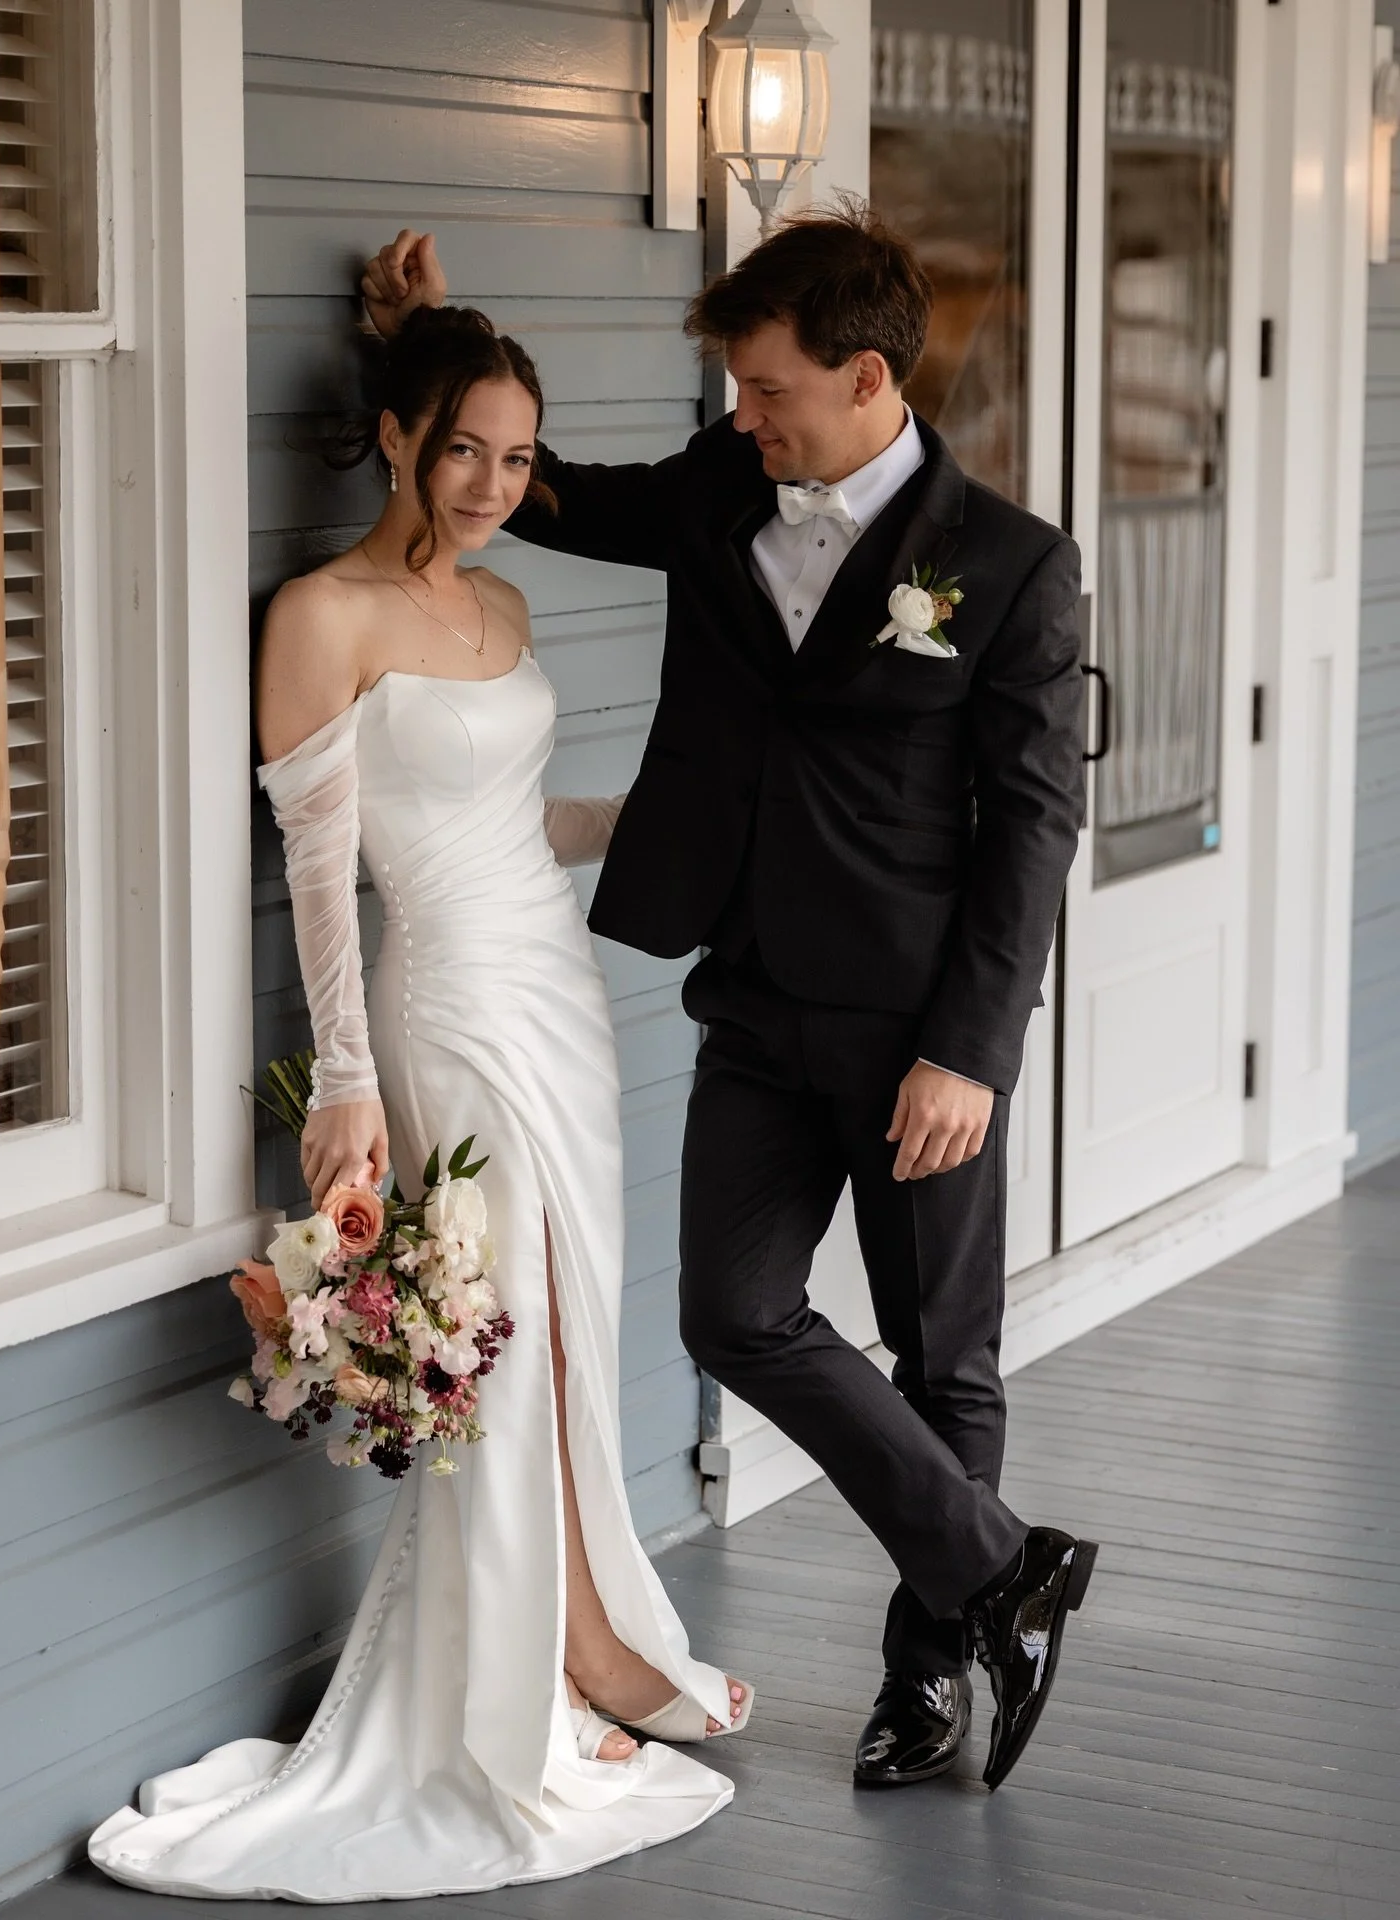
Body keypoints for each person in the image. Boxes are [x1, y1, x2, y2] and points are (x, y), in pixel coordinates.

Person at [359, 203, 1098, 1794]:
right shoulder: (722, 488)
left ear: (869, 378)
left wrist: (969, 1053)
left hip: (921, 1039)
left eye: (768, 392)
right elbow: (540, 490)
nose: (742, 418)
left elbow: (1035, 833)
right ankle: (1004, 1573)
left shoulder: (1015, 568)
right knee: (732, 1313)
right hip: (754, 1003)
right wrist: (423, 365)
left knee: (940, 1357)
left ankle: (929, 1685)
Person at [88, 306, 751, 1902]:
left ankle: (589, 1639)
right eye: (465, 448)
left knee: (581, 1323)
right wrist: (348, 1080)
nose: (494, 484)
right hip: (443, 1007)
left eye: (519, 458)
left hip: (558, 999)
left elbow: (524, 824)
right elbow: (326, 875)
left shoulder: (506, 601)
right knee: (506, 1338)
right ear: (394, 433)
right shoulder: (322, 616)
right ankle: (534, 1686)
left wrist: (698, 821)